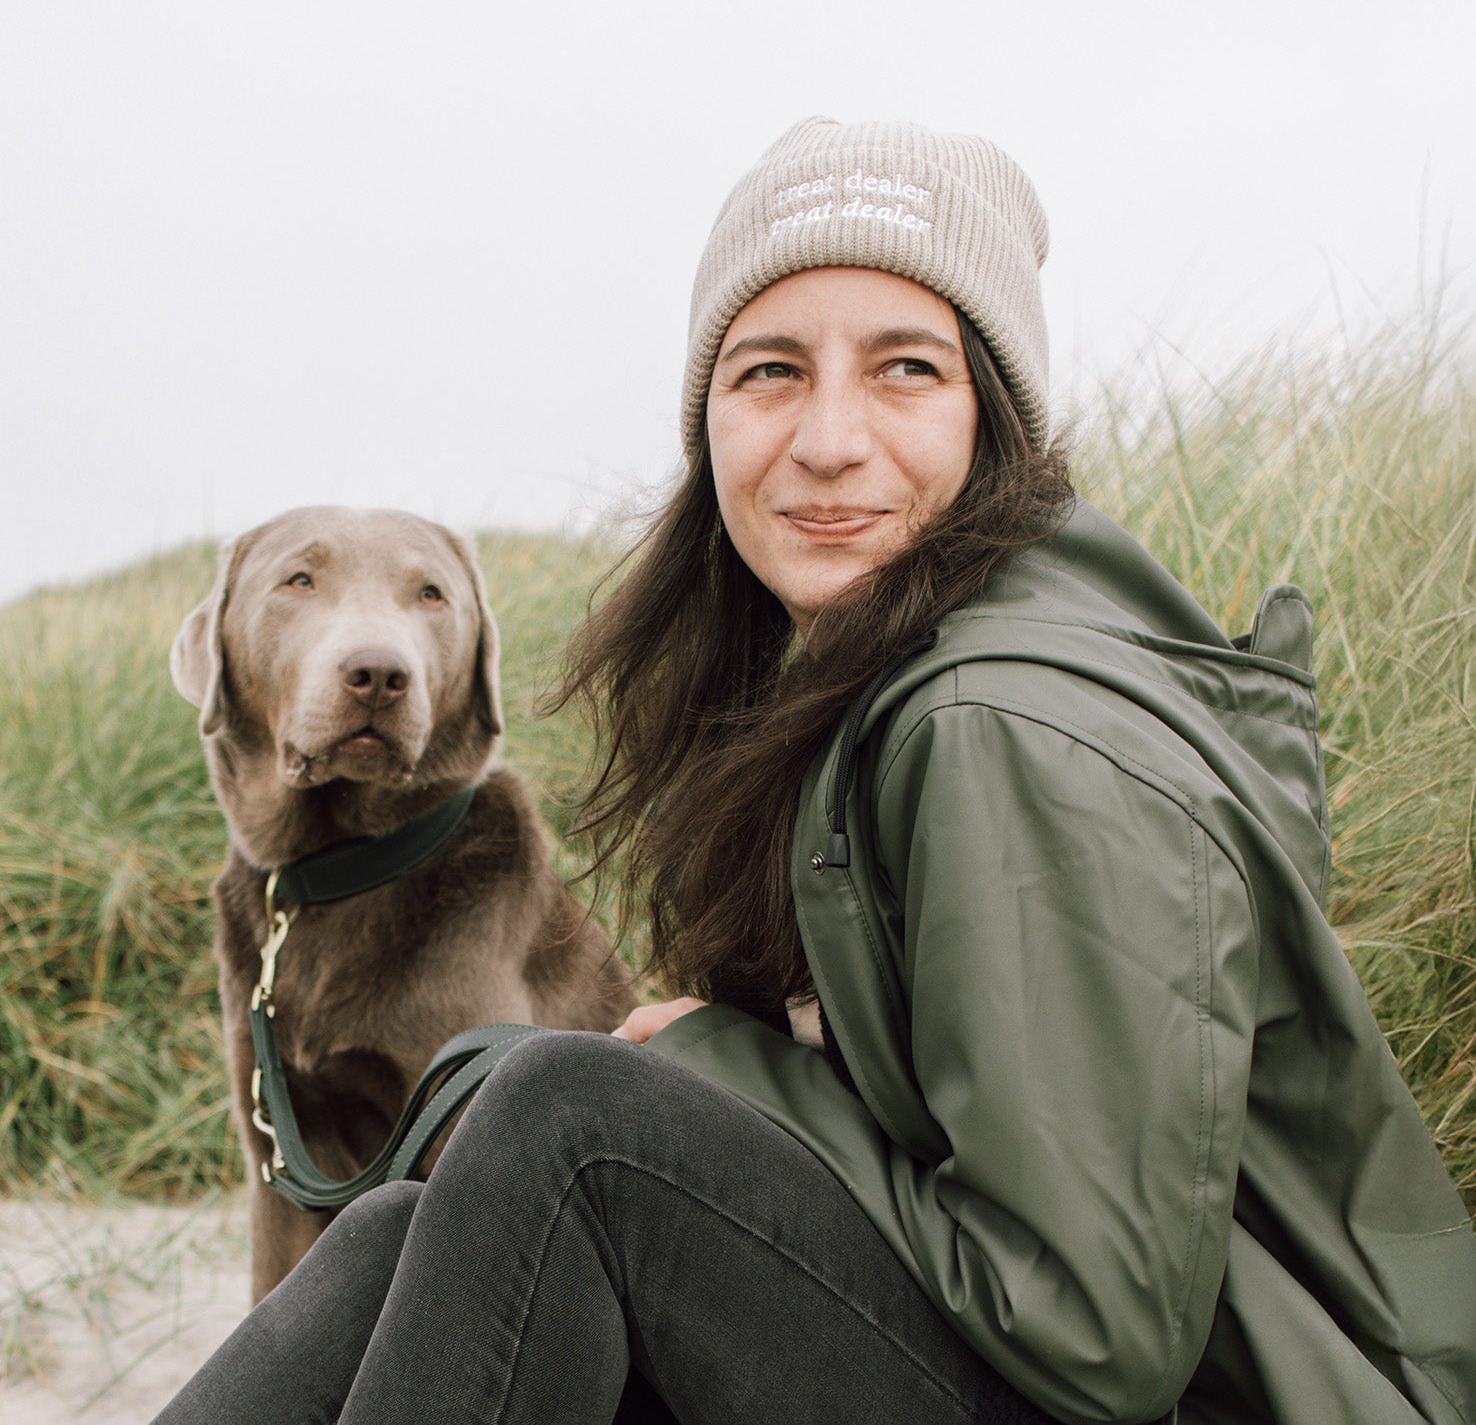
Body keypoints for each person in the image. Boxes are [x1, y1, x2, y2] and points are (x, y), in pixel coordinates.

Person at [155, 118, 1476, 1425]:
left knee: (573, 1122)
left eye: (906, 369)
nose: (830, 437)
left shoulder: (1004, 726)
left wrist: (727, 1068)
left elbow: (1092, 1334)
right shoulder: (877, 691)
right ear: (710, 421)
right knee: (408, 1230)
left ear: (996, 420)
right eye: (771, 372)